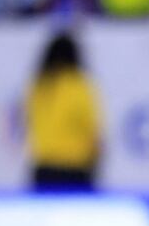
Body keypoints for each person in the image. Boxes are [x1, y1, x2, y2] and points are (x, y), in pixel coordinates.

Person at [25, 32, 101, 191]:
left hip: (44, 169)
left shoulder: (38, 86)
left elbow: (28, 121)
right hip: (75, 169)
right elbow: (93, 131)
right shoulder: (78, 85)